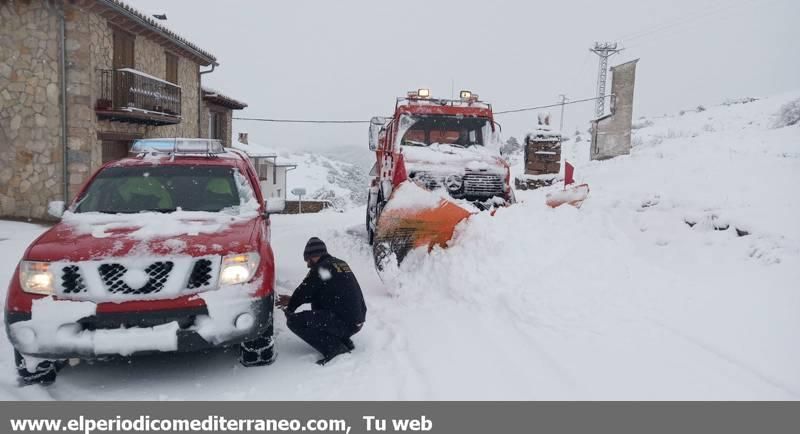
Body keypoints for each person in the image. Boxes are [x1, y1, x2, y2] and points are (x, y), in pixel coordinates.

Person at [277, 237, 367, 365]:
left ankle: (335, 349)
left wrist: (290, 310)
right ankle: (343, 340)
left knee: (294, 321)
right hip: (356, 321)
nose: (308, 264)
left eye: (308, 260)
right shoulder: (339, 263)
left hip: (343, 322)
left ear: (314, 256)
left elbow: (304, 290)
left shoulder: (322, 268)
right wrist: (293, 300)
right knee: (319, 303)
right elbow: (321, 290)